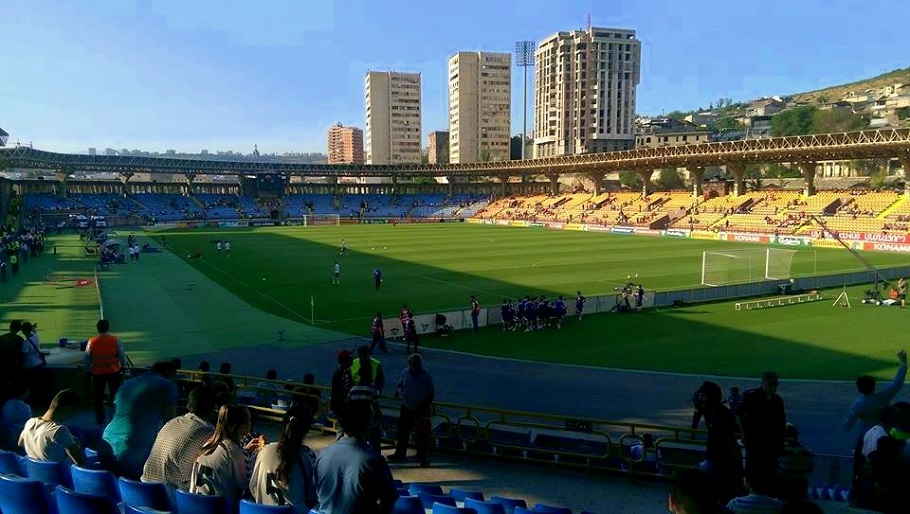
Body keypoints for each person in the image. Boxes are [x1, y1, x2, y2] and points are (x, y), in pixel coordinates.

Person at [315, 400, 398, 514]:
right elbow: (389, 499)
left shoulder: (322, 454)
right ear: (366, 425)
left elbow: (314, 494)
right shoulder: (374, 460)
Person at [103, 361, 179, 479]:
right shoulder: (168, 386)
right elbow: (169, 424)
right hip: (132, 448)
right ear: (172, 374)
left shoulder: (128, 383)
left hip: (106, 441)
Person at [845, 350, 906, 491]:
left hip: (865, 436)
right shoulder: (883, 398)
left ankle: (856, 492)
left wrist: (846, 427)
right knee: (887, 463)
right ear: (873, 386)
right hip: (885, 435)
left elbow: (850, 420)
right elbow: (897, 383)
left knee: (860, 465)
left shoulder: (858, 404)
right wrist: (903, 364)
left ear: (859, 389)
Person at [141, 385, 217, 494]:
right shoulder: (208, 431)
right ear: (213, 409)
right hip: (170, 495)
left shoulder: (172, 422)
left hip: (145, 489)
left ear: (188, 405)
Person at [250, 404, 318, 513]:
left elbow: (253, 487)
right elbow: (312, 497)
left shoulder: (264, 451)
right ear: (306, 430)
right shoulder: (307, 458)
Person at [191, 404, 260, 507]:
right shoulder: (234, 451)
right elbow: (244, 486)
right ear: (243, 428)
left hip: (196, 506)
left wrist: (243, 451)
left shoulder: (208, 445)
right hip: (218, 508)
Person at [695, 381, 743, 503]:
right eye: (700, 395)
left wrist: (738, 470)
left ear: (714, 398)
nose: (700, 399)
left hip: (723, 465)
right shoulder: (709, 409)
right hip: (712, 459)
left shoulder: (723, 415)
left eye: (703, 396)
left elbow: (732, 444)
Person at [738, 371, 787, 487]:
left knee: (769, 470)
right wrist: (744, 433)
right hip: (754, 440)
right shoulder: (751, 396)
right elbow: (739, 414)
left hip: (771, 442)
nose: (773, 388)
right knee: (753, 468)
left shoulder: (778, 400)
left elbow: (781, 422)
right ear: (763, 384)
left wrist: (780, 442)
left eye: (775, 386)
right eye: (770, 385)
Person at [19, 389, 86, 467]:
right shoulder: (59, 430)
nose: (71, 416)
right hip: (60, 477)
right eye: (72, 413)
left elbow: (20, 443)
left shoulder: (30, 422)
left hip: (36, 474)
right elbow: (81, 462)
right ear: (68, 408)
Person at [389, 353, 435, 467]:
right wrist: (398, 390)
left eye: (416, 363)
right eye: (412, 363)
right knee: (402, 432)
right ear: (409, 363)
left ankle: (421, 457)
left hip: (421, 409)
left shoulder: (426, 375)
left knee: (421, 435)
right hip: (407, 407)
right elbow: (400, 384)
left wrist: (426, 406)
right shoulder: (405, 372)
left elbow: (431, 391)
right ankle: (400, 453)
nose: (414, 366)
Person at [84, 319, 127, 426]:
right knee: (116, 397)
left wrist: (87, 370)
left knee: (98, 397)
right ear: (108, 328)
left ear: (98, 328)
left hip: (98, 373)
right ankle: (116, 418)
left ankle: (100, 419)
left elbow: (87, 358)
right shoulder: (115, 340)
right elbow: (121, 355)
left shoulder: (92, 341)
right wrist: (123, 366)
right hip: (113, 372)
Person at [0, 320, 25, 397]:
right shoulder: (20, 340)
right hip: (14, 367)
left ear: (10, 327)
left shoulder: (1, 338)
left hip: (2, 366)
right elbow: (22, 354)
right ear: (19, 329)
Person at [329, 350, 354, 416]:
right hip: (341, 406)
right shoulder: (340, 374)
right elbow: (339, 391)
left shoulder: (346, 371)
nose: (352, 359)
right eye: (350, 358)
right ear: (344, 361)